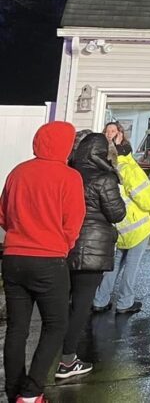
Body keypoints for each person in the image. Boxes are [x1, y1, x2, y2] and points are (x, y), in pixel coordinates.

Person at [0, 121, 85, 403]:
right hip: (48, 260)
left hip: (12, 258)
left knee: (17, 328)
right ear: (67, 145)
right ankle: (32, 391)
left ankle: (14, 391)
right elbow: (73, 224)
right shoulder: (69, 177)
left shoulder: (17, 173)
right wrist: (62, 244)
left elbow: (3, 216)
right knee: (55, 325)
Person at [58, 133, 127, 380]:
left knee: (60, 304)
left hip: (64, 246)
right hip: (93, 249)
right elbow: (117, 213)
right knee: (80, 305)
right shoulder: (103, 177)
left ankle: (52, 352)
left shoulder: (68, 173)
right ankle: (67, 359)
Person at [93, 138, 150, 315]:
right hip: (139, 226)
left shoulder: (111, 169)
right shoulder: (131, 169)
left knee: (116, 263)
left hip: (121, 226)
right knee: (132, 266)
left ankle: (100, 299)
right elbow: (146, 197)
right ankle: (125, 302)